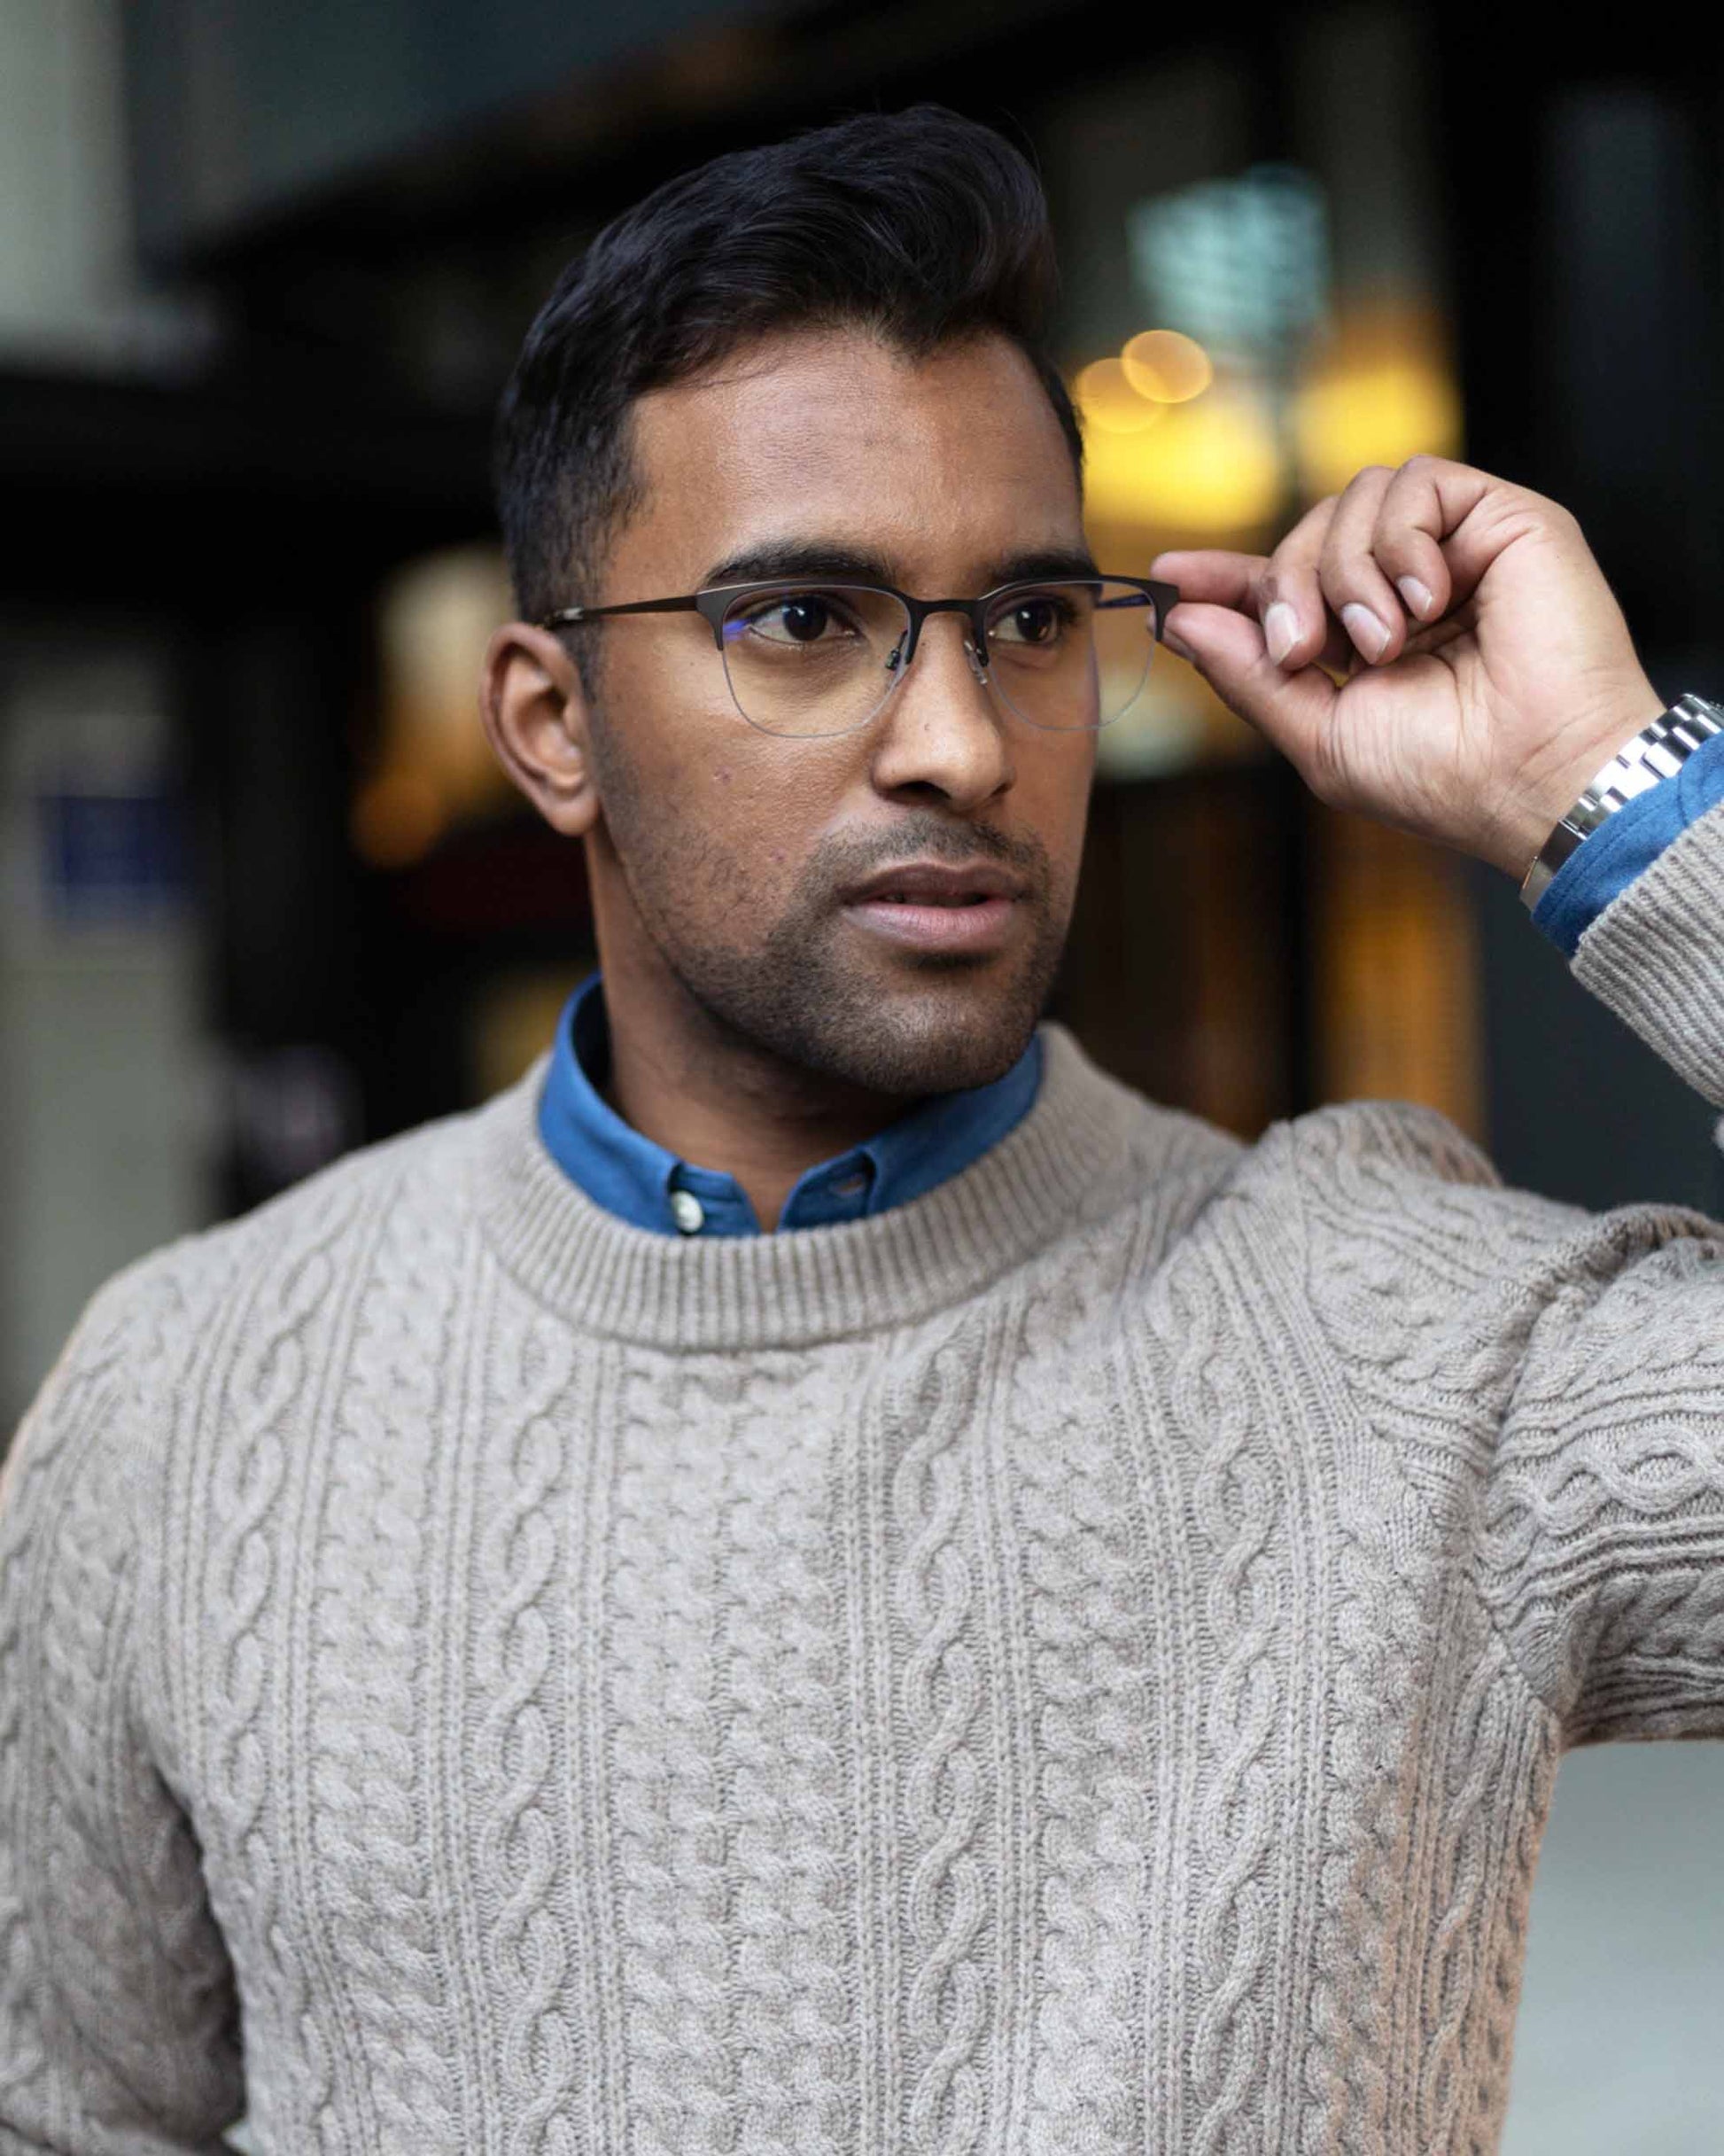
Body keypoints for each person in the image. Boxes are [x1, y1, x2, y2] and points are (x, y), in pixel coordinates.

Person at [3, 104, 1721, 2156]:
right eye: (804, 619)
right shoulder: (191, 1396)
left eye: (1027, 621)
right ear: (549, 723)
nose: (960, 741)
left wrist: (1603, 792)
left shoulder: (1395, 1338)